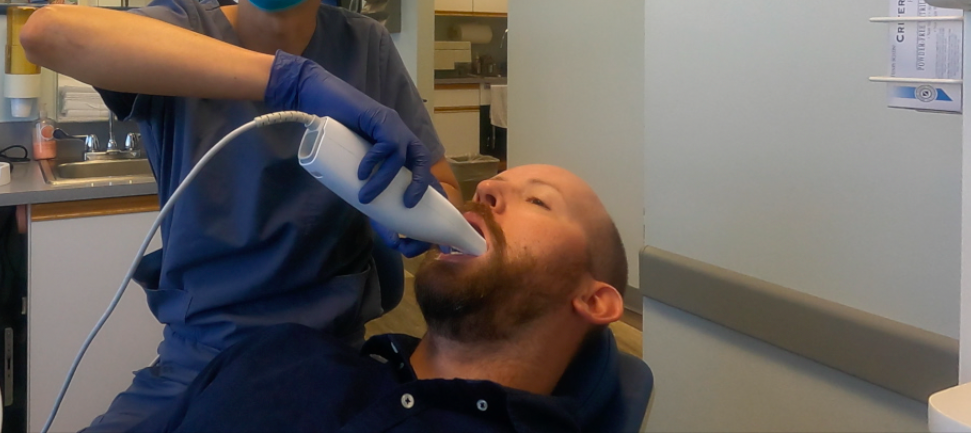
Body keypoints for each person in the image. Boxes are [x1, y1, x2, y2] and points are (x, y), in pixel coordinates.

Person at [20, 0, 461, 431]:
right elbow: (45, 33)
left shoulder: (365, 46)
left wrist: (413, 216)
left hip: (329, 359)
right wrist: (289, 81)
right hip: (202, 356)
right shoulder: (184, 27)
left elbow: (439, 185)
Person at [141, 165, 629, 433]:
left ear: (595, 301)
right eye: (492, 184)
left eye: (539, 200)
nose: (484, 189)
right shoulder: (278, 354)